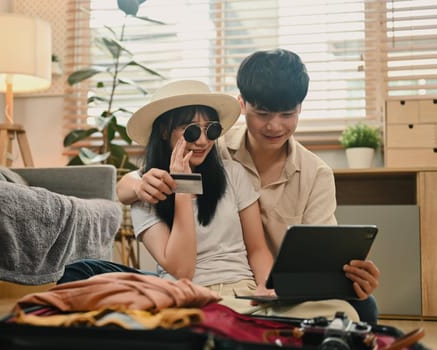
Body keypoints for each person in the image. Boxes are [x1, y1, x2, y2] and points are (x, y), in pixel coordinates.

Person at [116, 50, 380, 324]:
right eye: (263, 113)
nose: (274, 125)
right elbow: (135, 182)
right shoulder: (213, 149)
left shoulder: (310, 175)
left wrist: (346, 277)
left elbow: (293, 254)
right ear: (243, 105)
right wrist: (137, 186)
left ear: (300, 108)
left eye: (287, 113)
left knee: (360, 308)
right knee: (95, 273)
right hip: (193, 287)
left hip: (267, 286)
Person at [60, 79, 359, 320]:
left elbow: (257, 249)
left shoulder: (234, 173)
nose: (202, 140)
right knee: (81, 273)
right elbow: (182, 269)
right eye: (190, 131)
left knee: (343, 313)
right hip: (186, 294)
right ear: (165, 130)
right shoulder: (147, 190)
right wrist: (182, 187)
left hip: (242, 291)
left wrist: (267, 287)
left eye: (211, 130)